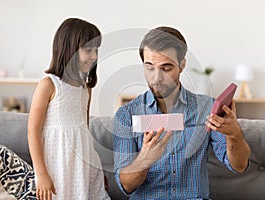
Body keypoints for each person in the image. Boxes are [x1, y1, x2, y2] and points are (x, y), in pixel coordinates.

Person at [113, 26, 251, 199]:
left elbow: (239, 166)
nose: (156, 78)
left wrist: (234, 134)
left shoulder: (206, 109)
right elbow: (125, 186)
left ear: (182, 65)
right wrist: (145, 160)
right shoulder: (126, 115)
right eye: (149, 67)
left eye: (166, 68)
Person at [28, 18, 110, 200]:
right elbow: (33, 132)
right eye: (88, 50)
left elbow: (85, 130)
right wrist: (41, 174)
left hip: (84, 164)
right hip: (58, 163)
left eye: (96, 50)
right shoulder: (49, 85)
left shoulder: (85, 88)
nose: (94, 56)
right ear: (69, 49)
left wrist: (95, 169)